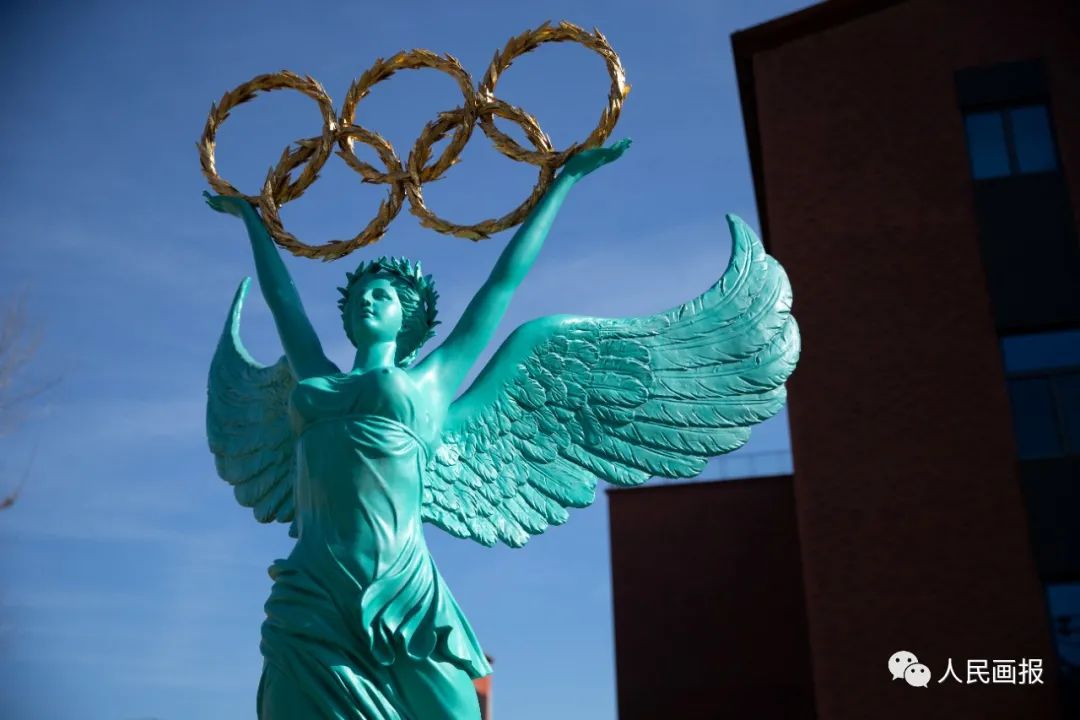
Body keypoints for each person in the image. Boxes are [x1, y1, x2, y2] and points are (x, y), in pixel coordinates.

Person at [204, 139, 631, 719]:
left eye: (383, 295)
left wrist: (565, 183)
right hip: (312, 584)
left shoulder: (430, 383)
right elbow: (286, 306)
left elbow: (500, 287)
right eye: (359, 295)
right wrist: (252, 222)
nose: (368, 301)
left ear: (411, 316)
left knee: (452, 711)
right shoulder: (316, 379)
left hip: (399, 584)